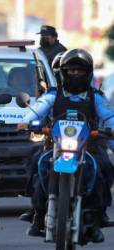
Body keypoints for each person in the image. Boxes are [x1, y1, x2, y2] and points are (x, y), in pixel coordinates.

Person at [18, 49, 114, 243]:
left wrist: (111, 130)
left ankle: (97, 217)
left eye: (80, 71)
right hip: (56, 146)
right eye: (71, 71)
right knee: (39, 163)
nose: (75, 74)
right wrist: (26, 121)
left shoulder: (95, 97)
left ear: (88, 72)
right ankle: (38, 214)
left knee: (104, 167)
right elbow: (38, 109)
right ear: (63, 72)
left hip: (90, 148)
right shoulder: (53, 94)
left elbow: (109, 117)